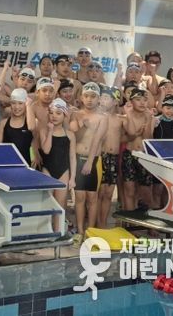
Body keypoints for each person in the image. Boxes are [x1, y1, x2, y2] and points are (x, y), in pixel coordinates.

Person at [70, 82, 107, 244]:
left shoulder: (102, 118)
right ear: (81, 98)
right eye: (86, 96)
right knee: (79, 198)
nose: (89, 100)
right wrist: (81, 124)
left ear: (98, 98)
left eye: (93, 96)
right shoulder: (76, 114)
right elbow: (74, 137)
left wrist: (90, 162)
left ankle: (90, 231)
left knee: (92, 198)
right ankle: (80, 231)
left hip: (94, 161)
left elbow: (97, 140)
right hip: (77, 158)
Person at [39, 98, 75, 233]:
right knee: (47, 204)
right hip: (47, 170)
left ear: (65, 115)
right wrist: (50, 131)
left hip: (63, 171)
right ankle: (46, 232)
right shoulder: (43, 131)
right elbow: (46, 150)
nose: (54, 116)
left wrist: (72, 178)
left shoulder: (70, 135)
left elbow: (72, 157)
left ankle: (58, 232)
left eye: (58, 113)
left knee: (60, 206)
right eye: (51, 113)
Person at [121, 88, 154, 211]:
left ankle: (148, 220)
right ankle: (130, 220)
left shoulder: (150, 117)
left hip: (144, 156)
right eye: (138, 100)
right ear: (131, 102)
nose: (142, 103)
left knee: (146, 191)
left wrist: (148, 120)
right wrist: (129, 115)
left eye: (145, 100)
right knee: (129, 190)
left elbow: (147, 138)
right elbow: (127, 135)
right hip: (130, 155)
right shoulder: (125, 118)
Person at [97, 86, 124, 228]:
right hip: (101, 157)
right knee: (99, 193)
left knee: (108, 194)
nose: (102, 100)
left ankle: (103, 223)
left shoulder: (120, 119)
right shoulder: (98, 117)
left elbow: (130, 134)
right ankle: (96, 224)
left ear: (115, 101)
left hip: (113, 158)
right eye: (101, 97)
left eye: (106, 98)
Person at [0, 88, 38, 167]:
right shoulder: (3, 123)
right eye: (13, 103)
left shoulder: (31, 122)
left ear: (25, 104)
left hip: (25, 163)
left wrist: (34, 155)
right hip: (6, 162)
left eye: (20, 103)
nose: (16, 107)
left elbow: (34, 138)